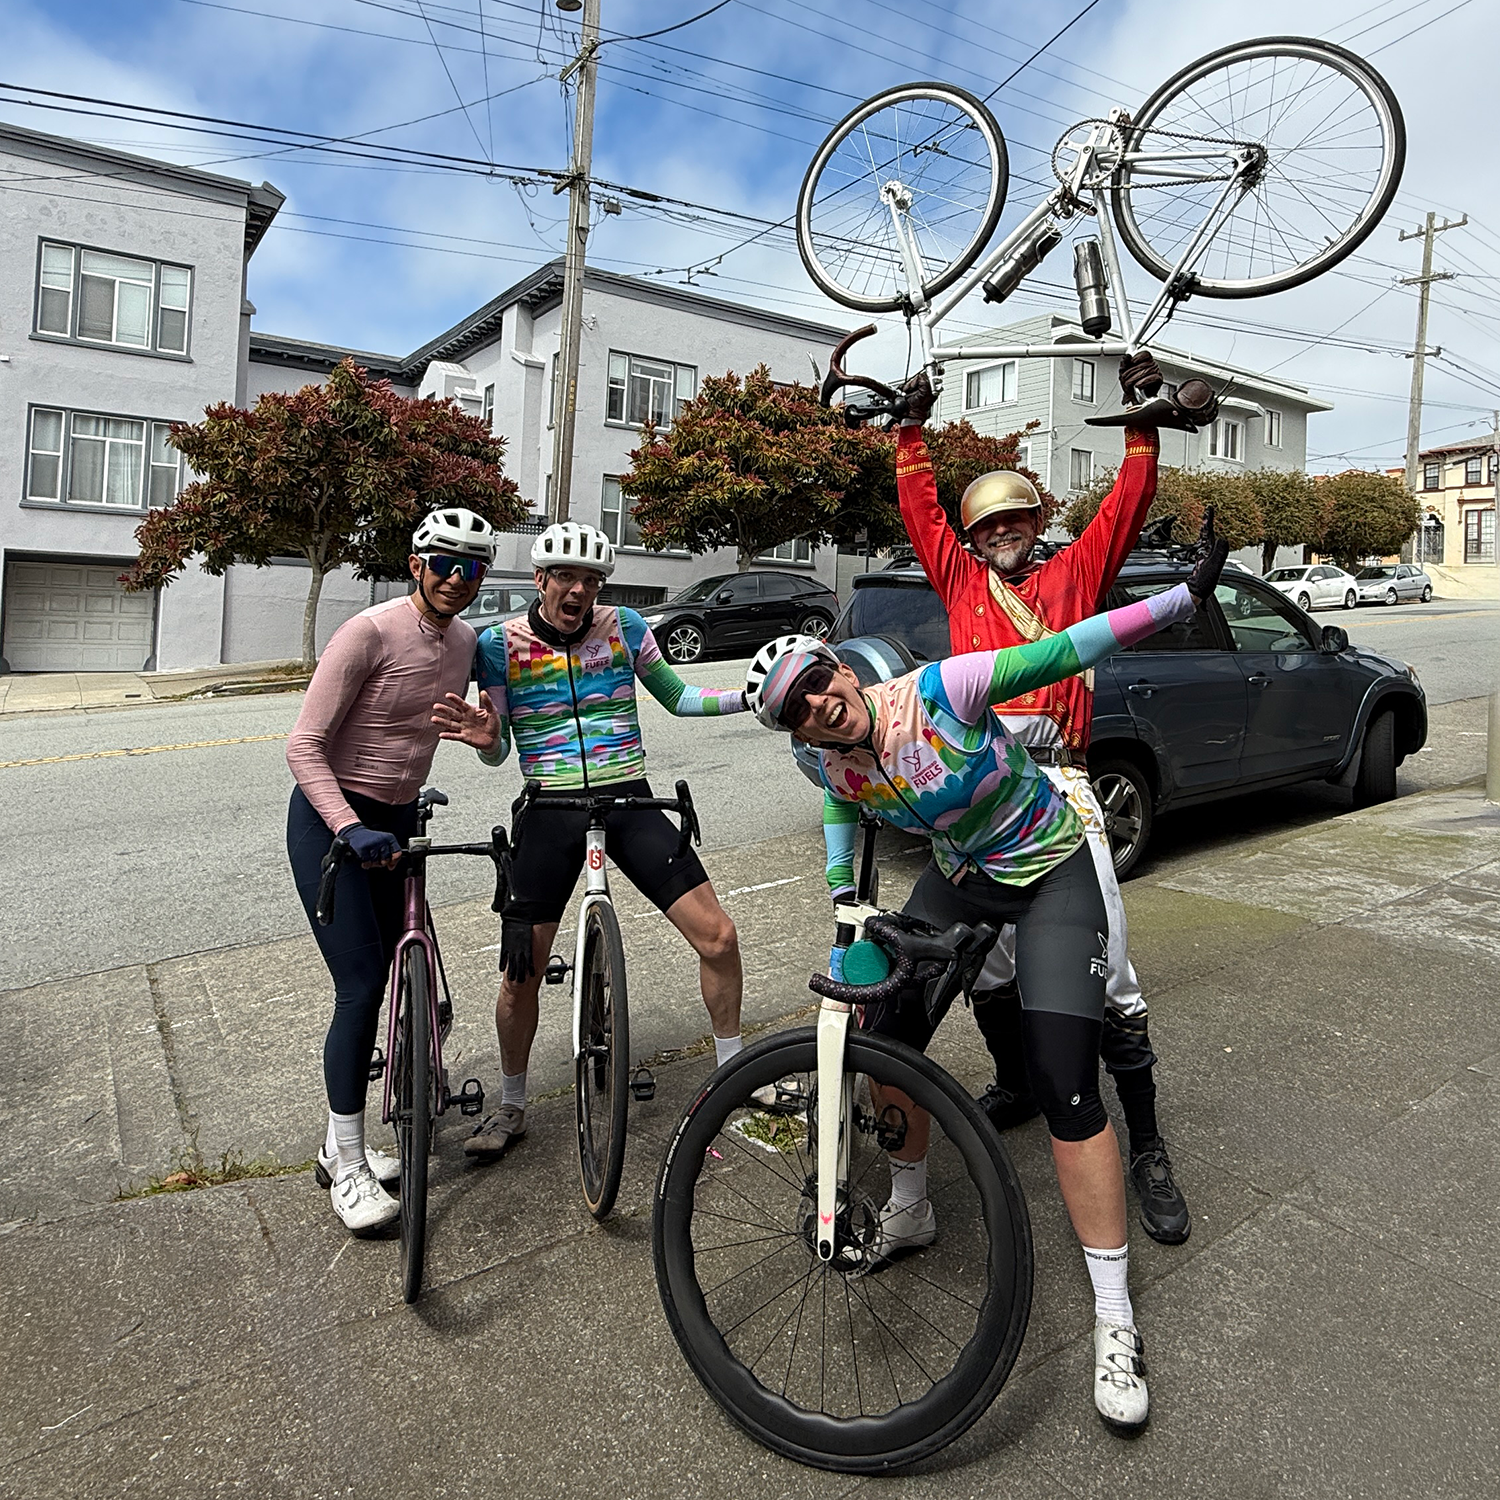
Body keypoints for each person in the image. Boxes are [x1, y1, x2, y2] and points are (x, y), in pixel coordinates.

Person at [746, 519, 1227, 1433]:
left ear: (843, 668)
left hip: (1050, 870)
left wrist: (1178, 602)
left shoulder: (939, 691)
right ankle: (912, 1208)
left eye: (817, 682)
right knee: (885, 1041)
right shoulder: (837, 763)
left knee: (1063, 1085)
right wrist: (847, 909)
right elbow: (841, 821)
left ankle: (1114, 1314)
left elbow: (1061, 649)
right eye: (793, 711)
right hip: (961, 878)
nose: (815, 706)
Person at [893, 354, 1212, 1246]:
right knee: (986, 964)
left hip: (1061, 786)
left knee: (1106, 971)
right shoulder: (960, 582)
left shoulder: (1073, 578)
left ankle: (1146, 1144)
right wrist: (910, 432)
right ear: (973, 535)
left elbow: (1123, 507)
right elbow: (920, 510)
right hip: (977, 797)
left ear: (1037, 524)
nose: (1003, 531)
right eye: (988, 522)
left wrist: (1140, 422)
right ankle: (1025, 1085)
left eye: (1017, 518)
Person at [431, 521, 750, 1160]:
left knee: (718, 936)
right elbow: (497, 750)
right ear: (541, 580)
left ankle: (733, 1076)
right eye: (567, 578)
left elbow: (680, 699)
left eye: (592, 580)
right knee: (520, 973)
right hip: (549, 807)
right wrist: (487, 738)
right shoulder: (498, 645)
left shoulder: (627, 628)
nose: (580, 590)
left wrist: (754, 696)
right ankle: (513, 1104)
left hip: (628, 798)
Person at [286, 507, 496, 1234]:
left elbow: (487, 743)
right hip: (333, 823)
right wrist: (348, 826)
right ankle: (347, 1165)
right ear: (416, 563)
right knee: (362, 984)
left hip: (400, 823)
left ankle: (336, 1140)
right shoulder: (368, 632)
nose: (455, 580)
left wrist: (488, 739)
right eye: (443, 563)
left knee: (405, 982)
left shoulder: (467, 641)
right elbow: (303, 746)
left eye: (471, 569)